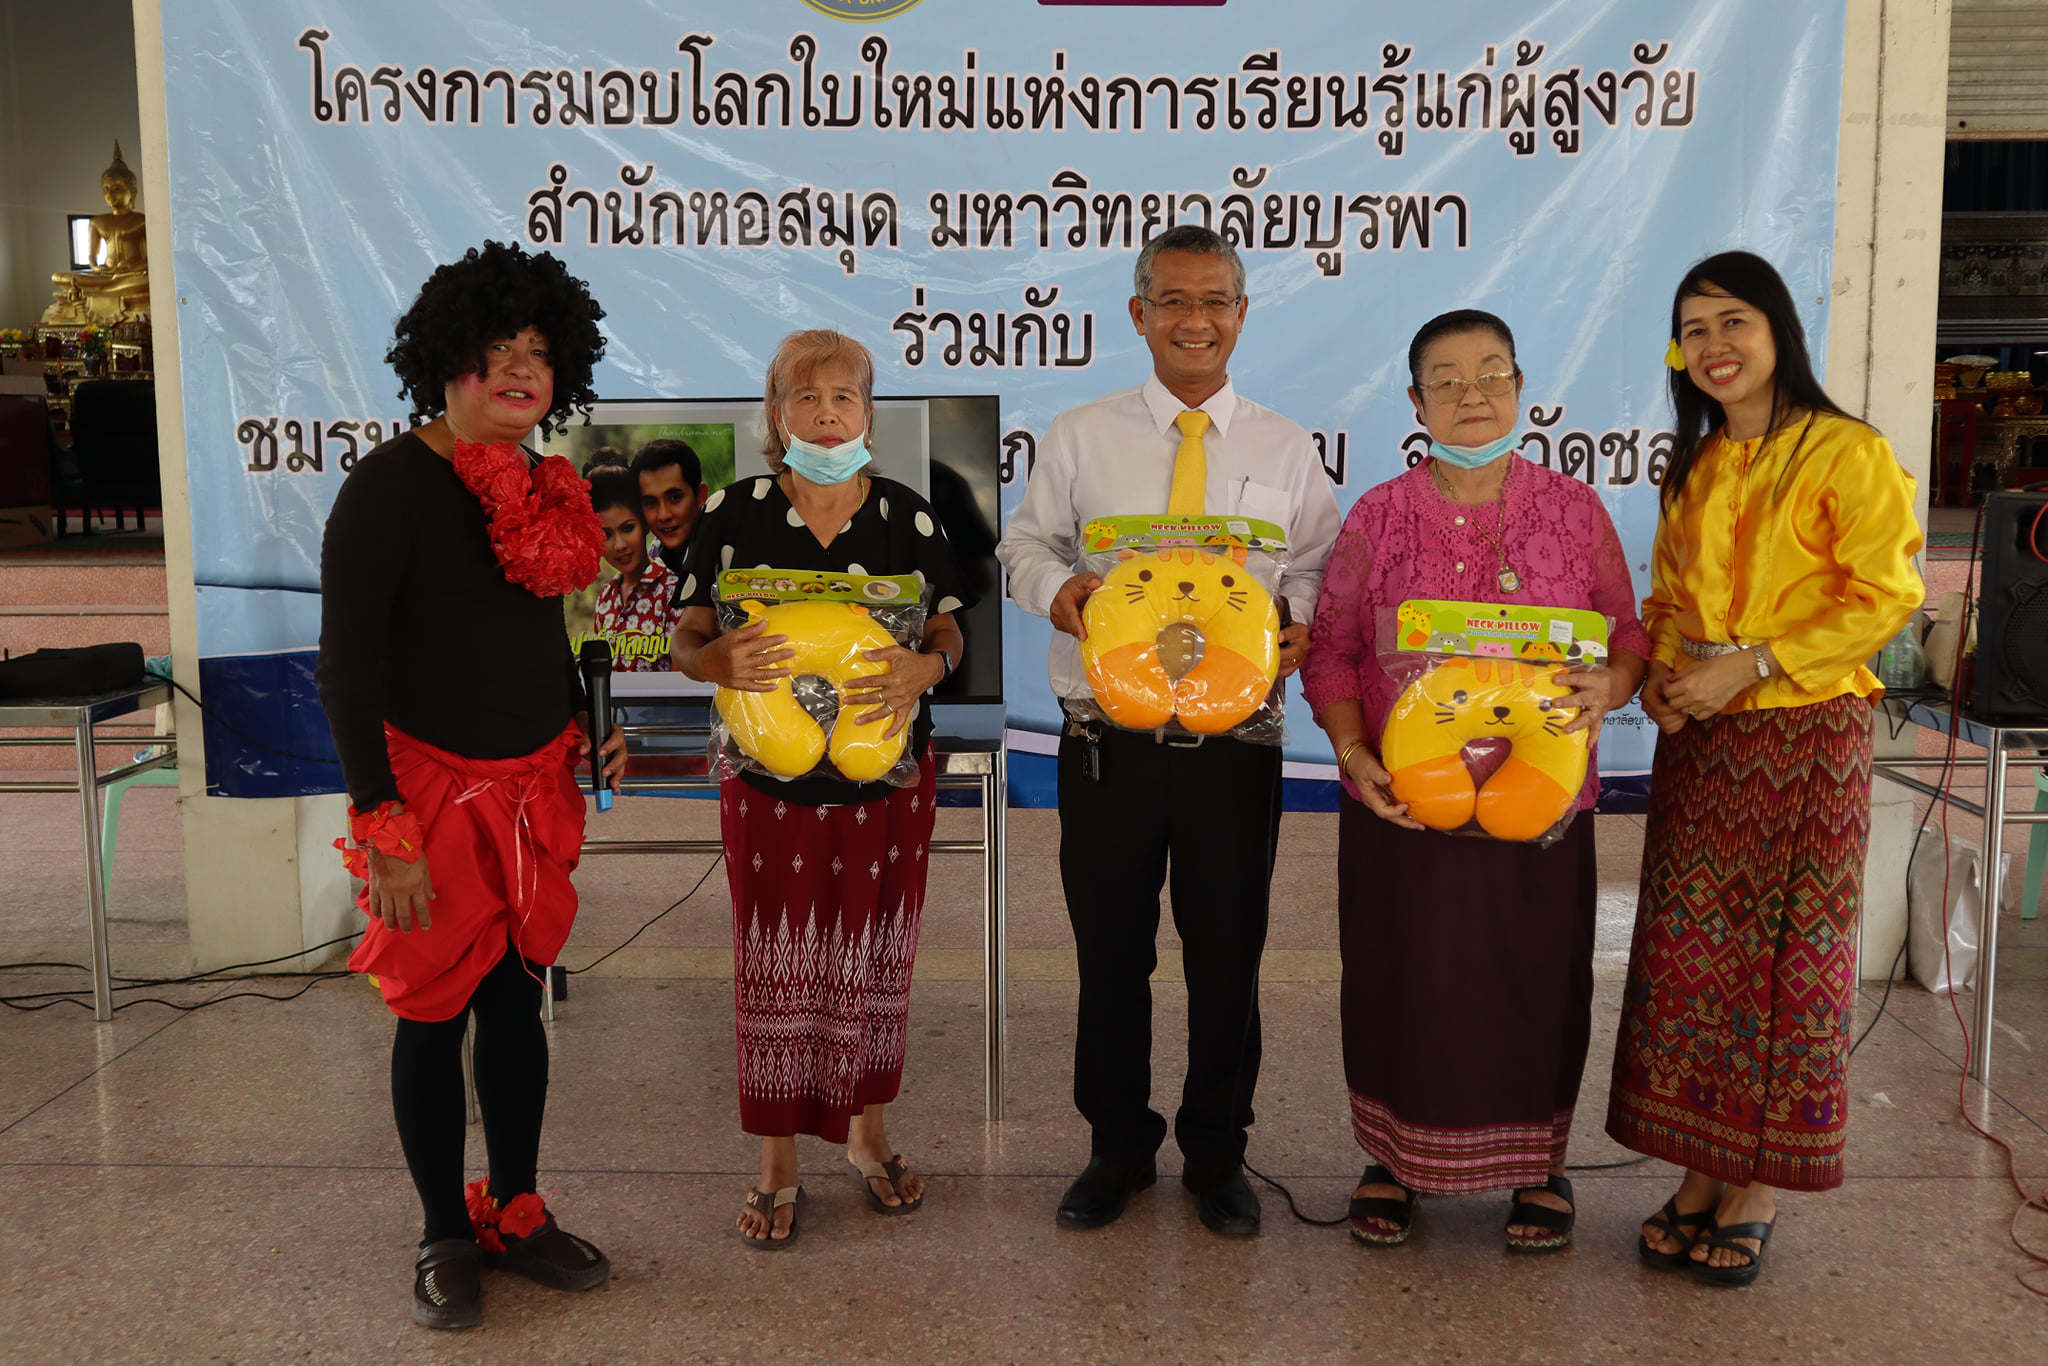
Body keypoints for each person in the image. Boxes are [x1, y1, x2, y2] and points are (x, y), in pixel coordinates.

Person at [996, 224, 1339, 1237]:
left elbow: (1317, 565)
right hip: (1108, 742)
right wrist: (1061, 593)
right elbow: (1024, 546)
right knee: (1111, 955)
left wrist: (1297, 622)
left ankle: (1218, 1153)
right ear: (1138, 314)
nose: (1196, 321)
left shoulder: (1284, 446)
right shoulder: (1080, 435)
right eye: (1174, 301)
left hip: (1237, 748)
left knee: (1227, 957)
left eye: (1215, 301)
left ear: (1242, 313)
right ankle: (1116, 1148)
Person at [315, 240, 627, 1329]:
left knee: (516, 1002)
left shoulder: (544, 485)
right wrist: (383, 823)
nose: (521, 368)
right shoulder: (387, 486)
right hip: (428, 795)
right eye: (498, 348)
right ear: (447, 359)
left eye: (539, 350)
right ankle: (444, 1229)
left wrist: (585, 728)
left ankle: (518, 1208)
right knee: (430, 1014)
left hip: (534, 785)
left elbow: (534, 635)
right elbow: (347, 667)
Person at [1300, 309, 1650, 1252]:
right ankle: (1392, 1160)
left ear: (1521, 388)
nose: (1472, 395)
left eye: (1492, 374)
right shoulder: (1378, 515)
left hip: (1544, 798)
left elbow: (1626, 634)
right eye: (1447, 380)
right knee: (1402, 976)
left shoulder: (1574, 510)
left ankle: (1538, 1166)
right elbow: (1330, 652)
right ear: (1416, 403)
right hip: (1403, 800)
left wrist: (1616, 682)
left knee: (1532, 978)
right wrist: (1355, 757)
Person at [1607, 251, 1922, 1286]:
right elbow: (1667, 600)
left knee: (1787, 962)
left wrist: (1748, 665)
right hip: (1700, 739)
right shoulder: (1696, 463)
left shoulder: (1845, 450)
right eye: (1693, 329)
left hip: (1803, 735)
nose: (1713, 346)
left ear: (1777, 328)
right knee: (1693, 957)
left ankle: (1757, 1184)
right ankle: (1702, 1165)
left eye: (1732, 321)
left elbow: (1883, 595)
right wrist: (1663, 676)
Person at [671, 329, 970, 1248]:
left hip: (889, 782)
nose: (827, 414)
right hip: (768, 786)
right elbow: (686, 637)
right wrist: (710, 660)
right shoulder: (734, 513)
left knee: (874, 958)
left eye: (844, 397)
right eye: (807, 397)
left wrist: (928, 668)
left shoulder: (909, 518)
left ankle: (867, 1136)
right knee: (778, 960)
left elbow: (949, 634)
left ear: (868, 415)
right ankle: (776, 1162)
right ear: (778, 415)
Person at [588, 466, 677, 670]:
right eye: (606, 535)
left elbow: (682, 678)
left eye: (628, 528)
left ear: (645, 524)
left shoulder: (673, 592)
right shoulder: (605, 599)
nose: (619, 545)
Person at [634, 437, 709, 574]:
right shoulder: (655, 553)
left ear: (700, 496)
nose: (663, 515)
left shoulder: (727, 551)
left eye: (675, 498)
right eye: (651, 503)